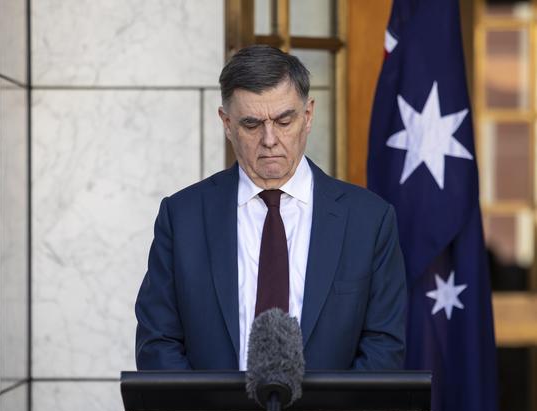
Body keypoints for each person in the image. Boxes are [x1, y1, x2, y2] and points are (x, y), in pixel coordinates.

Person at [135, 45, 406, 370]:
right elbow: (158, 343)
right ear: (226, 123)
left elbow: (383, 348)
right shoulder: (182, 218)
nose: (269, 139)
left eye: (283, 120)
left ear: (307, 117)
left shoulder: (369, 220)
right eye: (251, 124)